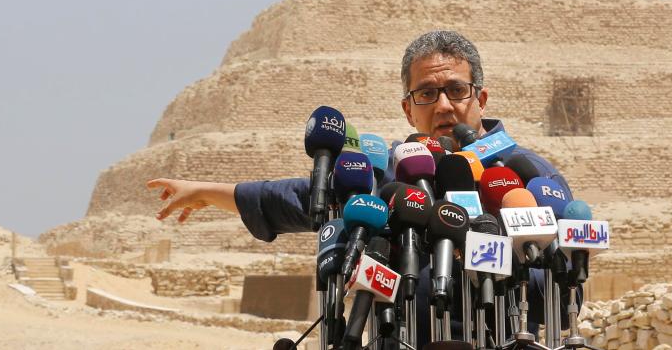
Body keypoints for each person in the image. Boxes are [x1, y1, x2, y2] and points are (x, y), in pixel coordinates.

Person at [148, 30, 573, 338]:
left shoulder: (523, 172)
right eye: (426, 94)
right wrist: (203, 192)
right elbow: (294, 198)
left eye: (456, 90)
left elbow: (561, 266)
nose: (443, 106)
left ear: (479, 99)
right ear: (409, 110)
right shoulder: (386, 170)